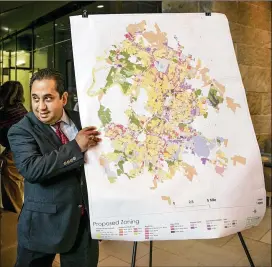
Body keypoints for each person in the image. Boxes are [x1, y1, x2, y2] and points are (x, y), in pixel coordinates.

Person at [8, 68, 102, 267]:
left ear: (64, 98)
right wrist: (76, 146)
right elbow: (32, 169)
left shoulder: (83, 121)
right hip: (41, 225)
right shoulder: (21, 130)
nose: (40, 106)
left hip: (81, 223)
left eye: (48, 98)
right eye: (35, 98)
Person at [0, 81, 27, 213]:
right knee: (16, 191)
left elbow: (5, 137)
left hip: (13, 156)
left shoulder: (7, 112)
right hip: (22, 154)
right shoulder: (21, 110)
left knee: (12, 198)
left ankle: (13, 228)